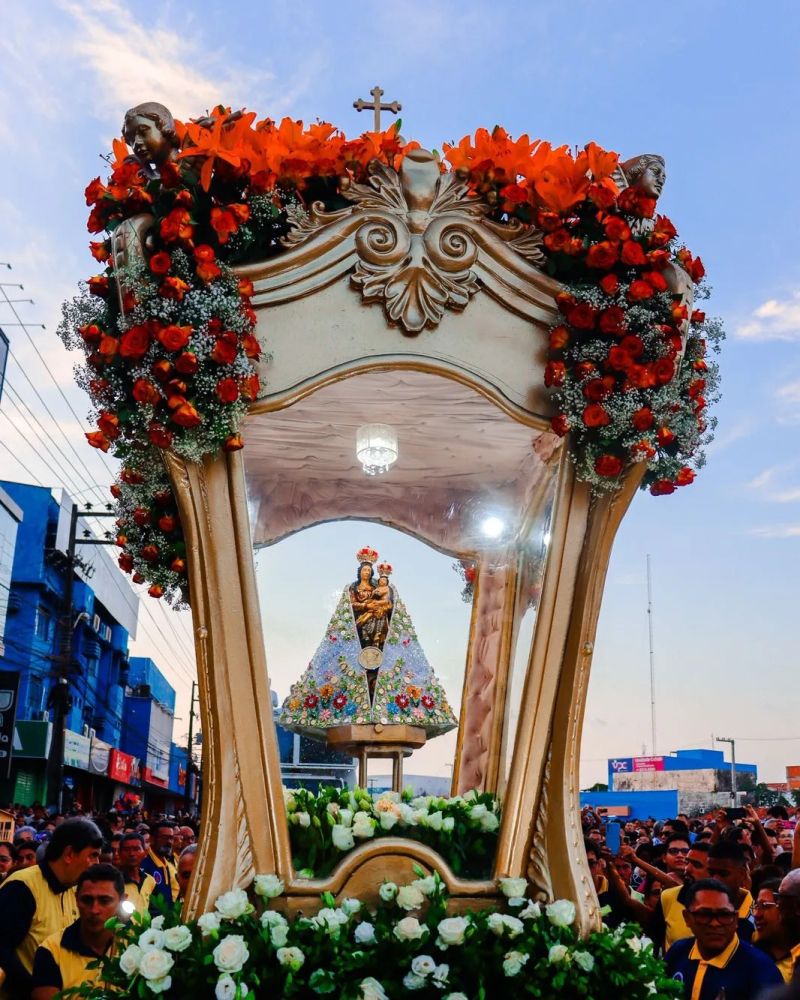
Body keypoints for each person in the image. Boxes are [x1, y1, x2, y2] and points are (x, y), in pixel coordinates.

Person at [0, 817, 102, 997]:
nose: (97, 863)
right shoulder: (22, 888)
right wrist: (35, 990)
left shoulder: (73, 889)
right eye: (92, 855)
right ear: (69, 854)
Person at [666, 879, 782, 999]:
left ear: (736, 919)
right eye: (704, 914)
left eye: (724, 915)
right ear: (687, 918)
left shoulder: (761, 969)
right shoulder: (677, 952)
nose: (715, 923)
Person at [30, 863, 122, 999]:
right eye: (87, 900)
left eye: (104, 900)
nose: (94, 910)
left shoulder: (136, 944)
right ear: (76, 899)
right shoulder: (52, 950)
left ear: (122, 901)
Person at [705, 840, 755, 942]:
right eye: (711, 873)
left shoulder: (757, 918)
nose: (715, 879)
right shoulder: (695, 911)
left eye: (723, 874)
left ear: (741, 874)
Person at [754, 879, 795, 982]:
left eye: (765, 906)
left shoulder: (796, 960)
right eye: (756, 907)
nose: (756, 914)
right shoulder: (750, 957)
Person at [140, 820, 179, 909]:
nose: (169, 842)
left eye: (171, 838)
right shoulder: (144, 864)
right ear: (152, 839)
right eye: (164, 837)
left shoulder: (169, 865)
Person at [117, 833, 156, 915]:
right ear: (119, 853)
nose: (131, 854)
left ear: (145, 853)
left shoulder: (150, 880)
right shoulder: (114, 882)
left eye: (136, 849)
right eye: (126, 850)